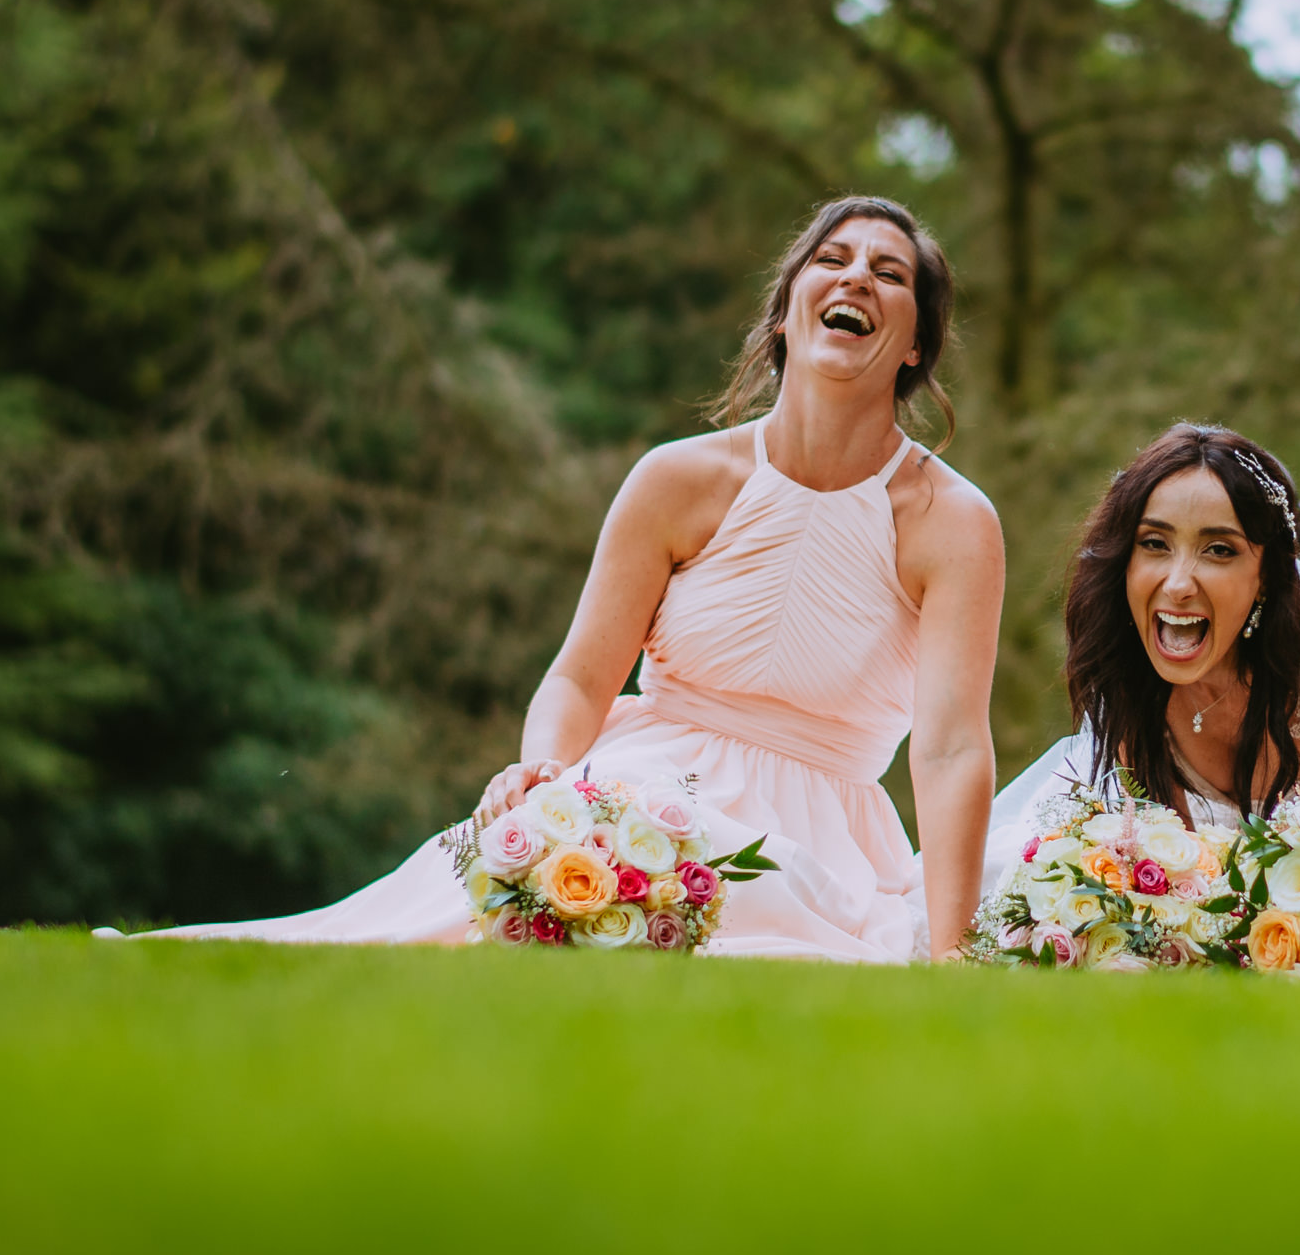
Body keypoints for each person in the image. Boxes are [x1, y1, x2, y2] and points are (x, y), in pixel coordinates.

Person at [136, 196, 1006, 960]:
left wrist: (954, 946)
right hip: (650, 788)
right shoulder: (677, 479)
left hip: (835, 839)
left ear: (917, 342)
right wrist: (544, 774)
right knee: (437, 934)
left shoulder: (953, 522)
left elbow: (952, 745)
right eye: (832, 259)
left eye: (888, 273)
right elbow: (582, 676)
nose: (855, 278)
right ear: (786, 313)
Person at [991, 426, 1300, 855]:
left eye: (1219, 550)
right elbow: (1157, 885)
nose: (1177, 585)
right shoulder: (1126, 654)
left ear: (1267, 576)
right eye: (1154, 543)